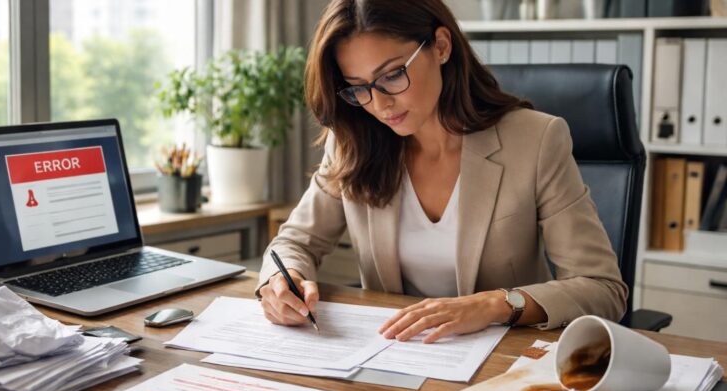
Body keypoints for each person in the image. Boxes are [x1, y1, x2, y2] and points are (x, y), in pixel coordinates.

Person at [255, 0, 627, 343]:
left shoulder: (535, 139)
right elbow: (295, 243)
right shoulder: (353, 142)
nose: (381, 103)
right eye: (358, 88)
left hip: (501, 364)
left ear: (441, 46)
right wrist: (281, 282)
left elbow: (602, 288)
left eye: (392, 75)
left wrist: (493, 305)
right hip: (395, 357)